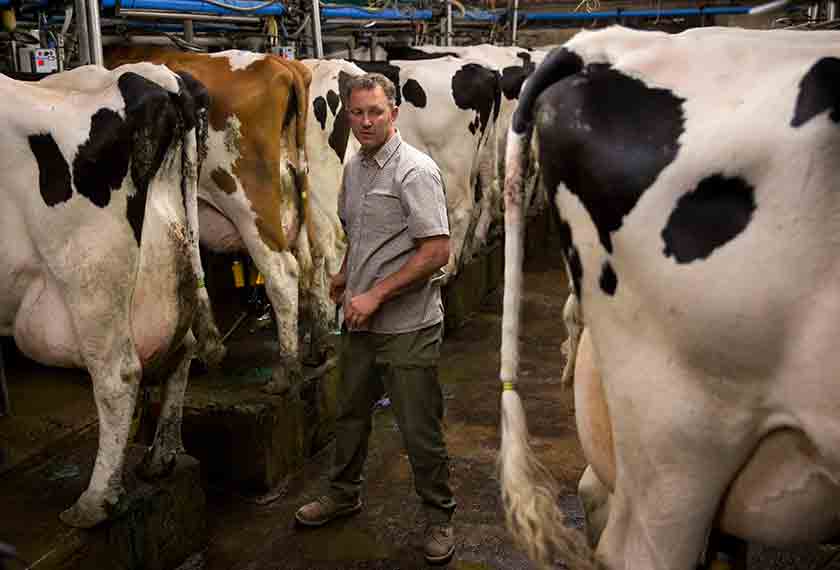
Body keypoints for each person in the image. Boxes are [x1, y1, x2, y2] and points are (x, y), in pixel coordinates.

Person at [295, 73, 456, 564]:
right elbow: (362, 233)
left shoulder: (415, 172)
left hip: (407, 326)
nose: (365, 122)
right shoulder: (356, 167)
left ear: (394, 113)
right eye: (357, 113)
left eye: (375, 112)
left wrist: (377, 294)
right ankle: (343, 494)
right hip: (360, 322)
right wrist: (347, 274)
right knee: (349, 415)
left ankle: (439, 517)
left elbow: (437, 251)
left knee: (418, 428)